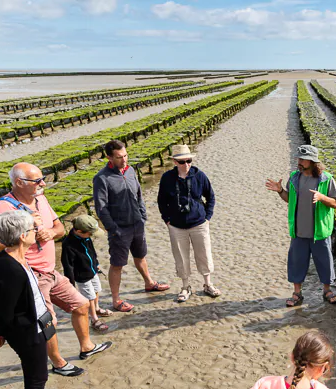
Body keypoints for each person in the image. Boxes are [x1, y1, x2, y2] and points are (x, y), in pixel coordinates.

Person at [0, 163, 111, 375]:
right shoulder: (4, 207)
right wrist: (28, 231)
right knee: (47, 321)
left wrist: (50, 233)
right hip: (31, 273)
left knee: (81, 305)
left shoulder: (40, 199)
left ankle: (86, 346)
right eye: (37, 181)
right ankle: (59, 363)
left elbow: (60, 228)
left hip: (51, 271)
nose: (43, 183)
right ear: (19, 183)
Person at [0, 210, 73, 389]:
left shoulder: (21, 258)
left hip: (37, 321)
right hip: (25, 330)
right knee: (36, 376)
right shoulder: (7, 267)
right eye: (32, 229)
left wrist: (47, 316)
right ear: (21, 235)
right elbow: (5, 308)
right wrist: (1, 331)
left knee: (40, 369)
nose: (36, 232)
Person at [93, 139, 169, 313]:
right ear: (109, 157)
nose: (124, 160)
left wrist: (142, 215)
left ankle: (149, 283)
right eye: (119, 157)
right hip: (119, 229)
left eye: (126, 155)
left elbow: (139, 194)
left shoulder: (131, 170)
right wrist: (113, 228)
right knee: (117, 264)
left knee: (141, 256)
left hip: (137, 223)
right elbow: (101, 207)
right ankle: (115, 300)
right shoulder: (101, 178)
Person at [265, 145, 336, 307]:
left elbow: (335, 203)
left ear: (313, 162)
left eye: (302, 159)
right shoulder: (294, 178)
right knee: (296, 262)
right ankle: (297, 293)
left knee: (324, 262)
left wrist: (322, 197)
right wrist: (280, 191)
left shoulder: (326, 179)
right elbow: (289, 200)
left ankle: (327, 290)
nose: (299, 162)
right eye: (298, 159)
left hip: (319, 231)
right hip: (299, 231)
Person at [156, 144, 218, 303]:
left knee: (204, 254)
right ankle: (185, 287)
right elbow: (161, 201)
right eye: (182, 162)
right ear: (175, 162)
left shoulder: (200, 176)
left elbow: (210, 197)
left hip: (199, 223)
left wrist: (207, 217)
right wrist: (167, 220)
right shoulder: (167, 178)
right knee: (181, 257)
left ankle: (207, 284)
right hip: (176, 225)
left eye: (189, 161)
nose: (186, 165)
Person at [61, 214, 113, 333]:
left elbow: (92, 251)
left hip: (92, 270)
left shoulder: (86, 237)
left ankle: (97, 308)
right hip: (82, 276)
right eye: (90, 234)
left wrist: (97, 263)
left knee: (96, 290)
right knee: (89, 296)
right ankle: (94, 318)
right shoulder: (68, 245)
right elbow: (68, 266)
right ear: (79, 231)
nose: (91, 236)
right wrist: (71, 284)